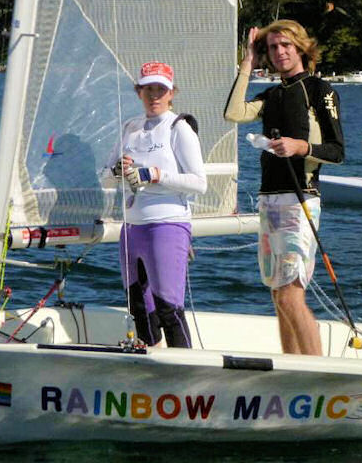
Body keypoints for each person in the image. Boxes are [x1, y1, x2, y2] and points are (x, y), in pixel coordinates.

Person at [224, 19, 344, 356]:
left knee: (291, 293)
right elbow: (233, 112)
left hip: (300, 200)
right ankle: (293, 366)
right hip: (269, 202)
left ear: (301, 48)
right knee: (278, 294)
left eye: (286, 45)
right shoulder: (271, 94)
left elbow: (337, 151)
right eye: (273, 47)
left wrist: (299, 146)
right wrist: (248, 60)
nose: (279, 52)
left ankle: (315, 369)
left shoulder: (321, 91)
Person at [103, 61, 206, 348]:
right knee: (138, 306)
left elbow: (199, 182)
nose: (154, 95)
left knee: (168, 307)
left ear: (172, 93)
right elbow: (106, 176)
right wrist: (117, 170)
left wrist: (155, 175)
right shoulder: (130, 127)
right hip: (132, 226)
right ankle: (151, 360)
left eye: (161, 89)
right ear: (139, 92)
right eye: (148, 89)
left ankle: (185, 370)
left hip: (167, 224)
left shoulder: (179, 127)